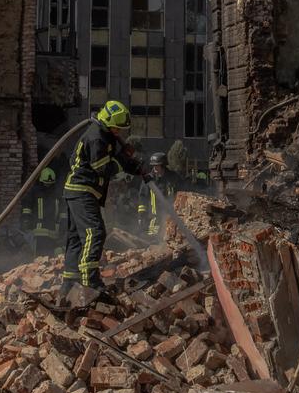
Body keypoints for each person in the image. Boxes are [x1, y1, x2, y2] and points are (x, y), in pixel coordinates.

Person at [60, 101, 143, 299]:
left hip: (79, 191)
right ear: (108, 122)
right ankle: (90, 282)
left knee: (76, 239)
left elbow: (116, 160)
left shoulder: (105, 135)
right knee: (94, 232)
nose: (119, 133)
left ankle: (69, 284)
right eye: (117, 128)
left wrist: (137, 168)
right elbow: (104, 169)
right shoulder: (96, 137)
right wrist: (123, 157)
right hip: (82, 190)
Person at [20, 167, 63, 257]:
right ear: (41, 181)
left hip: (54, 232)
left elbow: (63, 209)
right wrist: (26, 219)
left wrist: (63, 224)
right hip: (40, 231)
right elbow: (27, 205)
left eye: (50, 184)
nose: (48, 186)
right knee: (41, 256)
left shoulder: (57, 193)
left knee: (55, 255)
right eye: (46, 184)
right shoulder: (35, 192)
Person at [137, 152, 182, 238]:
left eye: (157, 166)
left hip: (171, 217)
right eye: (153, 166)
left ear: (163, 165)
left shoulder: (173, 177)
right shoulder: (148, 179)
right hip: (154, 218)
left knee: (172, 239)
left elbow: (181, 193)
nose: (155, 168)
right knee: (152, 239)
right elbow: (143, 198)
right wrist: (141, 216)